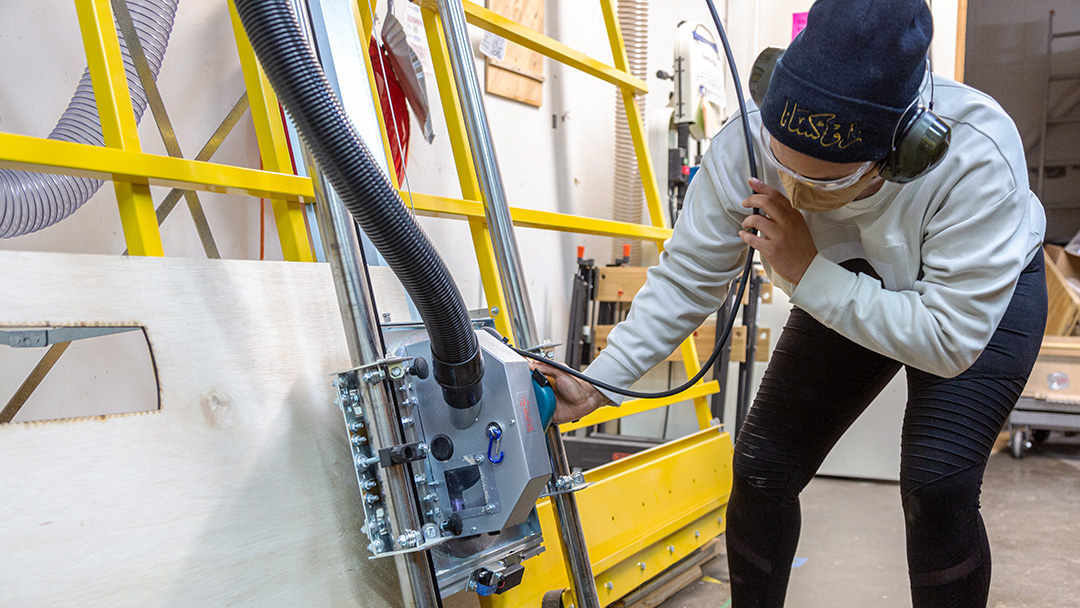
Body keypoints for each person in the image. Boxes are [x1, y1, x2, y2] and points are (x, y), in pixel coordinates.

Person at [532, 0, 1047, 606]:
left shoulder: (975, 156)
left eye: (825, 183)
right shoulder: (745, 145)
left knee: (938, 485)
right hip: (844, 276)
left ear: (906, 152)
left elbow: (949, 341)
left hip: (975, 301)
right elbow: (686, 278)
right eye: (784, 166)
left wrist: (804, 270)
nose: (795, 194)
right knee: (760, 468)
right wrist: (599, 384)